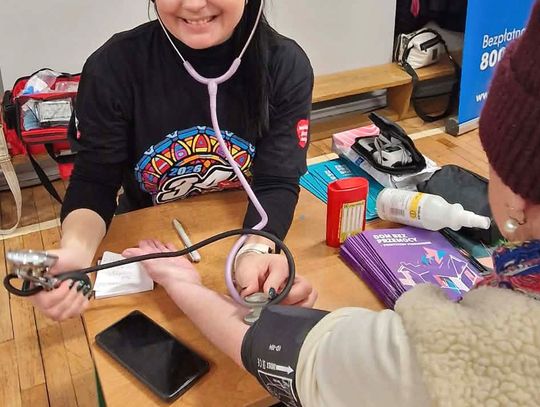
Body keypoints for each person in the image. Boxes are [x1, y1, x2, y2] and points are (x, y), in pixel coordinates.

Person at [123, 1, 540, 405]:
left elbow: (301, 359)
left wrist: (183, 283)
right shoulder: (120, 63)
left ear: (517, 188)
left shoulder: (481, 349)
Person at [30, 0, 317, 321]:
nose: (193, 4)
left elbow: (277, 181)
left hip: (238, 231)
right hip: (148, 246)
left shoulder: (285, 65)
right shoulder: (113, 67)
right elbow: (95, 181)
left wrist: (254, 250)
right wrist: (76, 250)